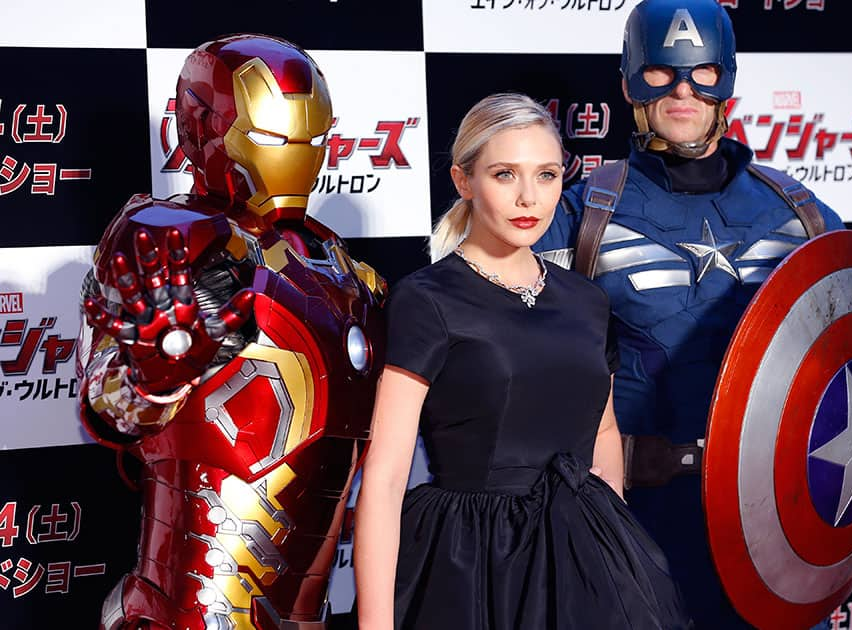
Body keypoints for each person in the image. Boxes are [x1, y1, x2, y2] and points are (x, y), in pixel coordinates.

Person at [533, 0, 845, 627]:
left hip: (775, 525)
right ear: (628, 82)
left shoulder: (801, 215)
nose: (682, 90)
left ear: (727, 81)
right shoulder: (579, 215)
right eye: (660, 73)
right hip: (630, 527)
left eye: (702, 73)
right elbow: (524, 373)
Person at [76, 34, 385, 630]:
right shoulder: (172, 235)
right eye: (272, 138)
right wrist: (155, 376)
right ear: (201, 129)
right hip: (186, 607)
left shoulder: (346, 270)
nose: (294, 155)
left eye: (310, 140)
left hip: (313, 612)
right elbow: (105, 409)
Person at [353, 93, 690, 630]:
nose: (529, 196)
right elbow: (387, 477)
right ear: (464, 182)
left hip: (585, 566)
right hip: (471, 569)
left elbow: (603, 435)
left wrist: (615, 558)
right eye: (505, 174)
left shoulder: (587, 301)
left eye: (548, 175)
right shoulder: (428, 300)